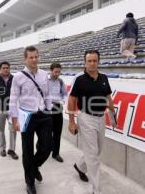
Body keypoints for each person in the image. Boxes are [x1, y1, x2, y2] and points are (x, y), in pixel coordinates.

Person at [68, 50, 117, 194]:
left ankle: (80, 166)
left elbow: (108, 97)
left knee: (97, 150)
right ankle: (97, 189)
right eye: (89, 61)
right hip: (86, 118)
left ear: (98, 61)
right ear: (85, 62)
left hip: (101, 118)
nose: (92, 63)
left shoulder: (104, 78)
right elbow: (72, 100)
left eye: (94, 60)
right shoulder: (79, 79)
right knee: (93, 156)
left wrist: (113, 117)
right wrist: (72, 121)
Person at [9, 46, 53, 194]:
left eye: (36, 57)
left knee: (47, 146)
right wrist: (14, 120)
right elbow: (13, 100)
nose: (34, 60)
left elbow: (47, 94)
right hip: (26, 116)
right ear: (25, 59)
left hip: (43, 115)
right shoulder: (18, 77)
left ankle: (33, 168)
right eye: (31, 57)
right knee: (27, 151)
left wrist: (49, 109)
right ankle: (29, 182)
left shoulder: (43, 74)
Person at [0, 61, 18, 160]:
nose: (5, 69)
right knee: (1, 130)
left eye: (7, 68)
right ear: (0, 69)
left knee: (13, 129)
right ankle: (2, 148)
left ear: (9, 68)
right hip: (0, 108)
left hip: (12, 109)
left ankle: (11, 150)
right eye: (3, 68)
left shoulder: (15, 79)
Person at [48, 62, 67, 162]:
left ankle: (56, 153)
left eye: (59, 72)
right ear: (51, 71)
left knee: (57, 132)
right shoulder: (45, 81)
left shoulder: (60, 82)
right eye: (55, 72)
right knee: (46, 131)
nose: (57, 74)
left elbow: (65, 94)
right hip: (47, 108)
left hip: (58, 107)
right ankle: (40, 144)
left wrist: (63, 100)